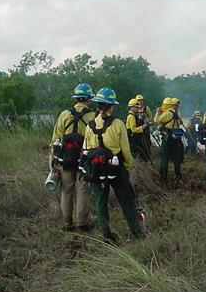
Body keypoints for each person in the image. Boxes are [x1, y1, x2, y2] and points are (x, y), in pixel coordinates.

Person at [82, 88, 142, 243]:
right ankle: (137, 232)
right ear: (110, 106)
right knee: (126, 199)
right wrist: (128, 165)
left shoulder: (89, 126)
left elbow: (86, 149)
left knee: (100, 201)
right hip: (116, 167)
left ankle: (105, 233)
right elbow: (125, 149)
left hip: (96, 168)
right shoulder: (118, 124)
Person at [50, 83, 96, 232]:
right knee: (83, 189)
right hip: (84, 159)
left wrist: (53, 158)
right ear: (88, 99)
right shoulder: (93, 116)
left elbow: (56, 138)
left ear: (75, 99)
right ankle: (81, 223)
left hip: (66, 159)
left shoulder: (64, 115)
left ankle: (67, 223)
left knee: (66, 190)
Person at [154, 97, 184, 184]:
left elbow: (156, 120)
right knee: (176, 159)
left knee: (165, 158)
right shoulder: (179, 114)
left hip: (167, 139)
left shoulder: (167, 113)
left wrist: (157, 112)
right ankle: (178, 177)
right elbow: (181, 122)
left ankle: (164, 178)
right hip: (177, 139)